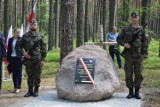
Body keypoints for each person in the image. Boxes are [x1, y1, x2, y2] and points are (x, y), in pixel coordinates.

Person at [117, 11, 148, 99]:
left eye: (136, 17)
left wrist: (144, 54)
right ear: (131, 18)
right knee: (128, 74)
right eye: (133, 17)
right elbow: (118, 39)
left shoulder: (142, 29)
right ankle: (130, 92)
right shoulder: (125, 29)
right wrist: (124, 44)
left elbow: (145, 43)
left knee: (139, 74)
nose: (134, 19)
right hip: (128, 55)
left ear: (138, 18)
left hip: (138, 56)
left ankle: (137, 92)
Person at [18, 20, 47, 97]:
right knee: (30, 75)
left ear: (37, 26)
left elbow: (44, 49)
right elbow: (19, 46)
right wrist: (23, 53)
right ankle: (30, 90)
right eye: (32, 24)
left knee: (37, 75)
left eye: (34, 24)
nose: (33, 26)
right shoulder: (25, 36)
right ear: (30, 26)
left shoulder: (40, 36)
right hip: (28, 59)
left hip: (38, 59)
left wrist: (43, 59)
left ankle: (36, 90)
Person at [7, 28, 23, 94]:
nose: (18, 33)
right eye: (17, 32)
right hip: (12, 58)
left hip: (18, 58)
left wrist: (23, 56)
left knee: (19, 73)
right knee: (14, 74)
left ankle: (19, 88)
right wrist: (8, 60)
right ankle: (15, 87)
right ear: (14, 32)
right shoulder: (10, 40)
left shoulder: (21, 39)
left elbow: (23, 49)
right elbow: (9, 50)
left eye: (19, 32)